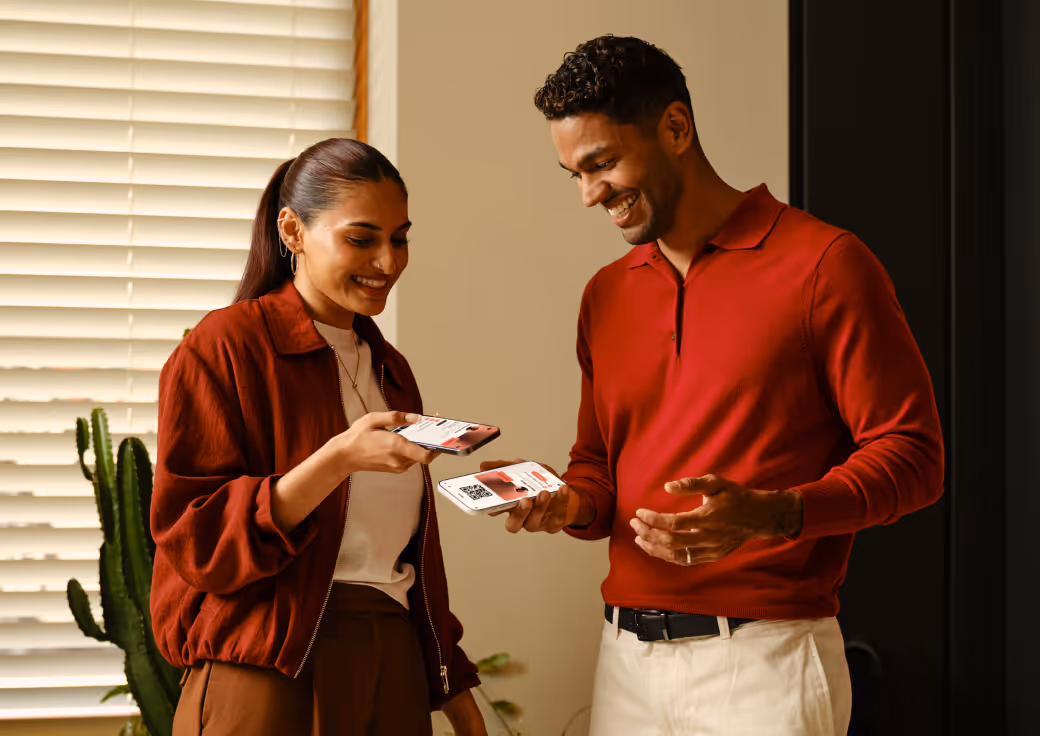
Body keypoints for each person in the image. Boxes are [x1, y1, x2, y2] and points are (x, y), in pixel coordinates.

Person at [482, 36, 944, 735]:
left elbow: (914, 457)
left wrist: (773, 513)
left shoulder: (825, 265)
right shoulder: (605, 296)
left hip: (767, 665)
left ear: (675, 129)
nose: (588, 195)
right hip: (625, 665)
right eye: (572, 173)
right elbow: (600, 473)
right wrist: (567, 501)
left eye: (602, 163)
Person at [150, 138, 487, 735]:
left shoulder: (391, 369)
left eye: (400, 238)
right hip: (269, 670)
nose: (388, 262)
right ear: (292, 230)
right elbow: (195, 539)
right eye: (361, 239)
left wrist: (453, 686)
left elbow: (402, 554)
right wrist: (336, 460)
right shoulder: (223, 348)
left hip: (394, 667)